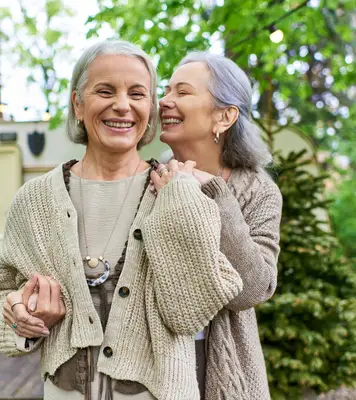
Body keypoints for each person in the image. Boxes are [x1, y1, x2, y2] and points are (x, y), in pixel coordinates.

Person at [0, 40, 243, 400]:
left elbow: (191, 312)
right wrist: (19, 314)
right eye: (105, 91)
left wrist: (178, 207)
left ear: (151, 108)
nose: (122, 105)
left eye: (138, 94)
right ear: (78, 103)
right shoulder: (35, 200)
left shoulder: (178, 194)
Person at [156, 52, 283, 399]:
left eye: (182, 92)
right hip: (153, 362)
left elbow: (255, 288)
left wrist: (215, 193)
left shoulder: (258, 191)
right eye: (166, 91)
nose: (164, 101)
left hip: (221, 365)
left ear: (225, 116)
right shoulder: (148, 178)